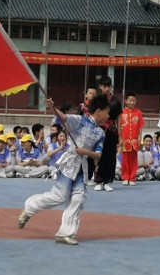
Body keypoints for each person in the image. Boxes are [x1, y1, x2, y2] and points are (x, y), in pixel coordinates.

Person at [18, 95, 108, 245]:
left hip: (81, 168)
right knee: (58, 197)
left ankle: (65, 233)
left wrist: (85, 152)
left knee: (78, 199)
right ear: (99, 111)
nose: (108, 116)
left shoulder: (101, 133)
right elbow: (64, 118)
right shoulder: (80, 121)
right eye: (107, 112)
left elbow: (98, 155)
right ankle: (29, 207)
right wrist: (53, 107)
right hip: (68, 165)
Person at [93, 76, 121, 192]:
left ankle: (107, 181)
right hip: (99, 129)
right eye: (105, 86)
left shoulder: (116, 101)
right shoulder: (97, 100)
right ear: (100, 87)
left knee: (110, 156)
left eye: (109, 86)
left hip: (112, 130)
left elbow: (119, 117)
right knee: (100, 155)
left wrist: (120, 133)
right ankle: (98, 181)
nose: (107, 89)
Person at [119, 92, 144, 186]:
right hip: (124, 140)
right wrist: (120, 138)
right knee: (125, 160)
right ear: (126, 101)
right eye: (130, 100)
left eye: (134, 100)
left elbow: (140, 127)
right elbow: (119, 127)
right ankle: (125, 177)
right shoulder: (121, 113)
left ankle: (132, 178)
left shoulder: (138, 112)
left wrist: (140, 140)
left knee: (134, 160)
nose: (132, 102)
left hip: (134, 140)